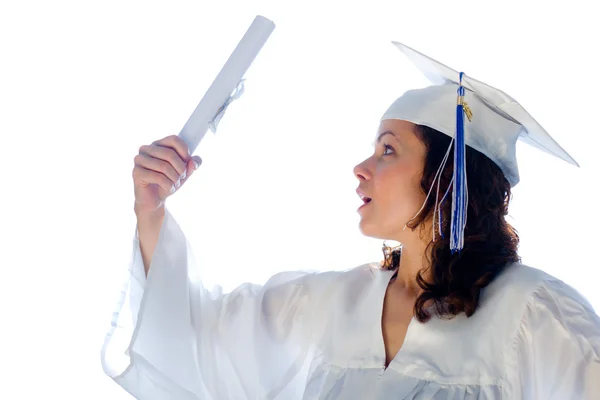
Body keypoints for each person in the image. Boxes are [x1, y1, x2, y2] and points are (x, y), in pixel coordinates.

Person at [101, 42, 600, 399]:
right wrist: (151, 208)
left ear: (448, 176)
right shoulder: (332, 304)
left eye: (388, 150)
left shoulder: (537, 316)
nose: (361, 168)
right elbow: (191, 340)